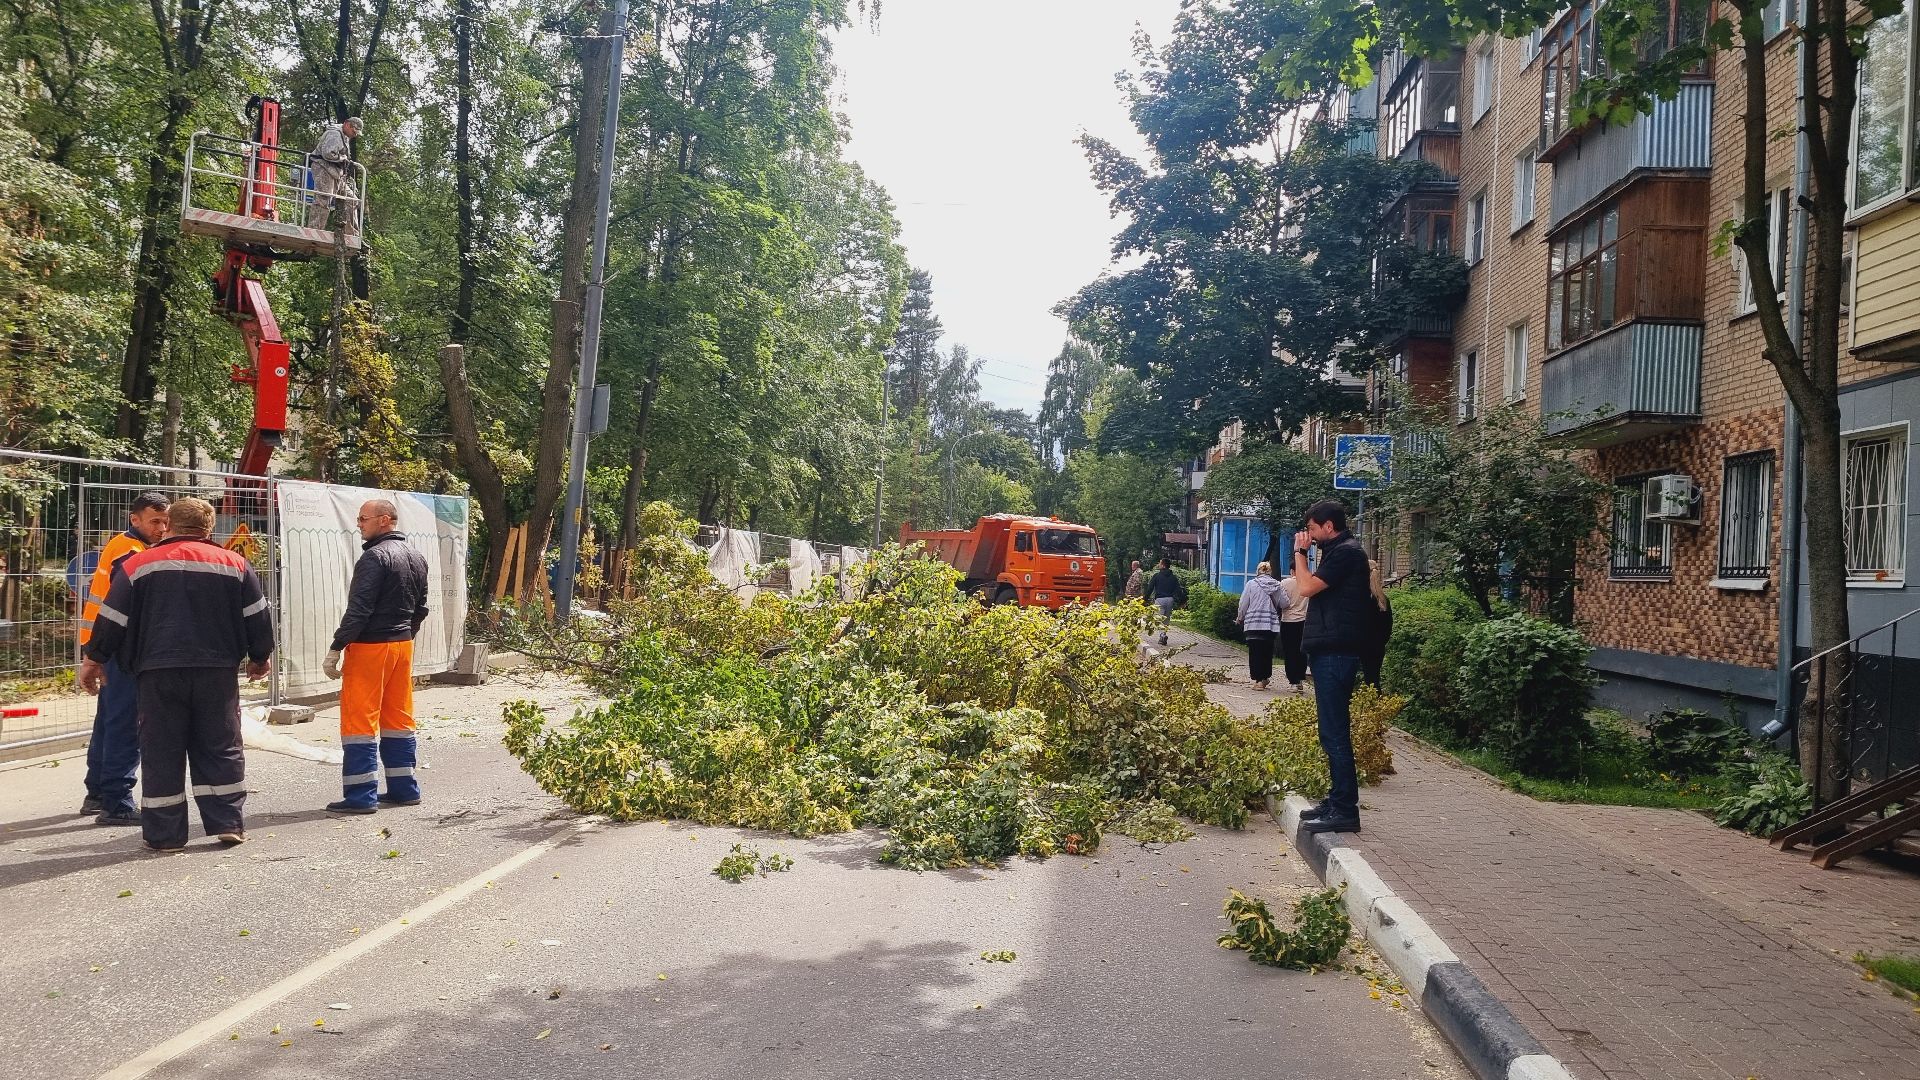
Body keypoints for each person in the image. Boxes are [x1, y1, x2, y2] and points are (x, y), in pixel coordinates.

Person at [79, 498, 273, 852]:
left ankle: (165, 835)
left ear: (168, 525)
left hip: (157, 671)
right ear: (209, 529)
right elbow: (258, 616)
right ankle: (227, 822)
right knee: (221, 745)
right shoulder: (235, 564)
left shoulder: (138, 565)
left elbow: (113, 619)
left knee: (161, 748)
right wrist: (260, 657)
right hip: (216, 672)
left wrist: (94, 659)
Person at [322, 499, 429, 815]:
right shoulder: (416, 556)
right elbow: (421, 609)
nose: (359, 523)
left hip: (370, 647)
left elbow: (359, 610)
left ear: (384, 520)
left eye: (363, 518)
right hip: (402, 646)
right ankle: (404, 789)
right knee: (398, 718)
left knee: (360, 720)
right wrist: (404, 637)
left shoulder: (374, 558)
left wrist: (337, 647)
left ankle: (360, 796)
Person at [77, 492, 171, 824]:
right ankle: (116, 803)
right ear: (135, 519)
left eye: (165, 521)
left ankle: (98, 793)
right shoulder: (130, 554)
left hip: (105, 644)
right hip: (120, 648)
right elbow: (123, 607)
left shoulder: (123, 544)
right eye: (154, 521)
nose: (161, 528)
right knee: (125, 723)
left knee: (108, 720)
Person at [1290, 500, 1372, 835]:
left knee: (1335, 732)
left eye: (1311, 528)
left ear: (1328, 526)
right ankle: (1336, 799)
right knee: (1330, 731)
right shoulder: (1338, 551)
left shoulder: (1347, 553)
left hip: (1337, 653)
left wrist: (1300, 552)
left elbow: (1306, 587)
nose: (1308, 534)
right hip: (1330, 650)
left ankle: (1344, 810)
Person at [1234, 561, 1288, 690]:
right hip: (1270, 624)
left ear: (1258, 571)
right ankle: (1264, 678)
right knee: (1267, 651)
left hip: (1253, 623)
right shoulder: (1277, 585)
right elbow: (1285, 603)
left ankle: (1258, 680)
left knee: (1255, 651)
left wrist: (1240, 618)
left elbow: (1243, 604)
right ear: (1270, 572)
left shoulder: (1251, 584)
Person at [311, 116, 362, 233]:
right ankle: (315, 231)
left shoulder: (344, 135)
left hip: (337, 173)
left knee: (352, 199)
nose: (355, 135)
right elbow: (328, 153)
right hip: (324, 168)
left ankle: (351, 233)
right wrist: (343, 158)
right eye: (354, 131)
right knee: (323, 199)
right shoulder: (334, 134)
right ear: (347, 124)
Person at [1361, 561, 1394, 688]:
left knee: (1366, 679)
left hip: (1363, 645)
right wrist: (1381, 641)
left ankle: (1370, 705)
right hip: (1378, 646)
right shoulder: (1383, 599)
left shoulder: (1363, 599)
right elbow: (1388, 626)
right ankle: (1377, 704)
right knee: (1374, 678)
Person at [1279, 565, 1311, 694]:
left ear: (1291, 570)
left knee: (1290, 651)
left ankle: (1293, 681)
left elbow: (1281, 601)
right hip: (1304, 620)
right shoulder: (1308, 583)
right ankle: (1300, 678)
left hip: (1288, 620)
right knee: (1301, 650)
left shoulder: (1285, 583)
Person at [1144, 558, 1186, 646]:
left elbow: (1150, 589)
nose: (1158, 565)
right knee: (1166, 619)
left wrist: (1144, 600)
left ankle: (1162, 635)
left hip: (1159, 600)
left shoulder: (1156, 576)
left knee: (1159, 619)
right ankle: (1164, 635)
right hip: (1170, 600)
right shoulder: (1173, 577)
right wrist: (1182, 601)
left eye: (1160, 563)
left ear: (1163, 565)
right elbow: (1178, 590)